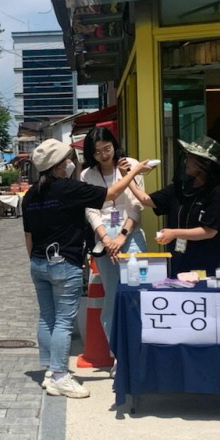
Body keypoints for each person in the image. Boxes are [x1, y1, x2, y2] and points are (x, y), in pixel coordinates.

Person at [22, 138, 147, 399]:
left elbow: (29, 235)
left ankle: (50, 370)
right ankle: (60, 376)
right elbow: (110, 195)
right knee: (63, 321)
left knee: (47, 317)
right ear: (57, 164)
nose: (70, 162)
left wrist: (35, 260)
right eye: (66, 159)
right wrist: (134, 171)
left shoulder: (31, 194)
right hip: (64, 261)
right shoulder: (68, 188)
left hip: (38, 262)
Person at [80, 127, 146, 374]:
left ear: (114, 144)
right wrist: (107, 238)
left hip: (130, 233)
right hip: (104, 237)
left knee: (137, 294)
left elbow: (137, 205)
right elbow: (90, 210)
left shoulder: (131, 166)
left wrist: (122, 236)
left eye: (107, 148)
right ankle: (118, 355)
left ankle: (139, 352)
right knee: (112, 297)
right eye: (97, 152)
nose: (104, 155)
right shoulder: (87, 174)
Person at [128, 136, 220, 276]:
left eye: (190, 158)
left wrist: (174, 233)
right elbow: (147, 200)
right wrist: (129, 175)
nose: (185, 161)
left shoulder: (217, 193)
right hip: (180, 261)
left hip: (207, 263)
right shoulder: (180, 188)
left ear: (203, 164)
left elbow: (210, 231)